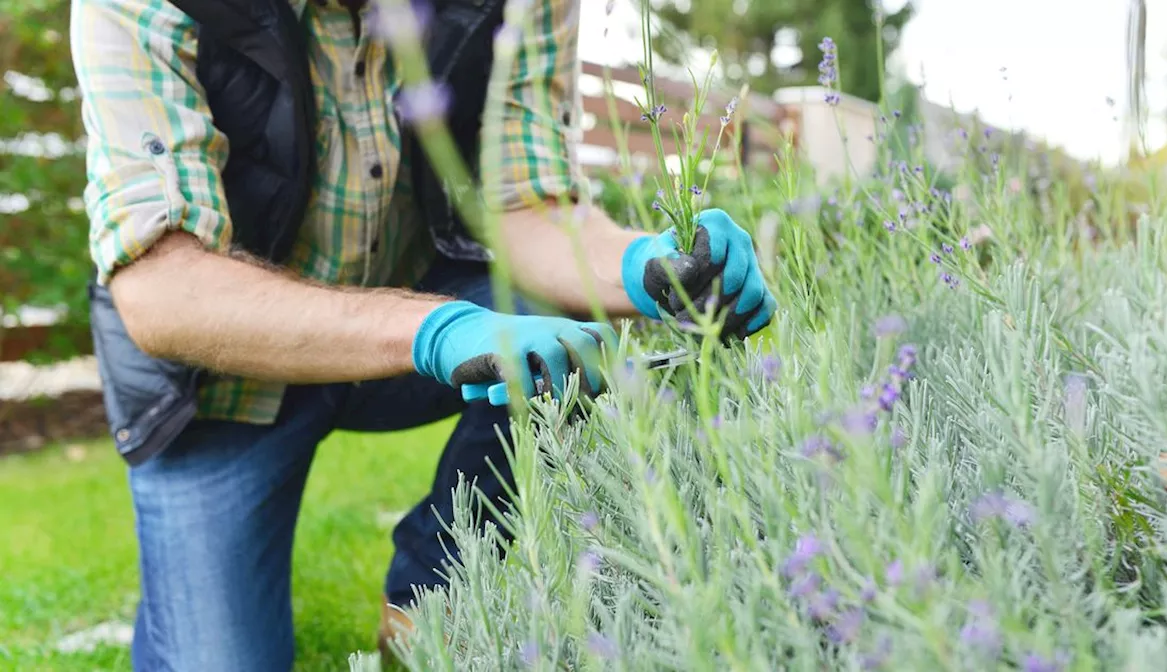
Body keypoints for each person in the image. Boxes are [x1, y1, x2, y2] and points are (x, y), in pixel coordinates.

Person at [70, 0, 776, 669]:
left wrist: (642, 268)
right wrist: (435, 328)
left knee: (564, 319)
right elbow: (166, 291)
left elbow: (526, 203)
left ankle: (428, 585)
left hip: (413, 315)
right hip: (224, 373)